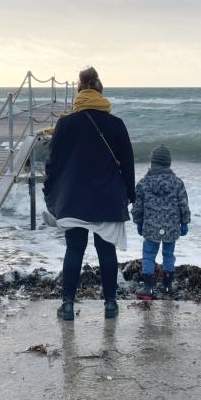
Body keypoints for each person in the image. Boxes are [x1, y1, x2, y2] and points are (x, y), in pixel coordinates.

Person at [43, 66, 136, 321]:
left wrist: (49, 191)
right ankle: (110, 305)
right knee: (106, 251)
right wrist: (130, 194)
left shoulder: (65, 124)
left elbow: (53, 163)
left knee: (74, 249)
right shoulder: (116, 124)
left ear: (79, 92)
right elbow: (128, 163)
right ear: (100, 92)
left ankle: (68, 305)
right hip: (107, 197)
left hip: (73, 198)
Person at [131, 144, 190, 298]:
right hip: (171, 226)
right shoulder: (177, 183)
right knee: (169, 255)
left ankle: (148, 288)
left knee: (148, 254)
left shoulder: (143, 183)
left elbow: (138, 206)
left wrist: (138, 222)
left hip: (151, 225)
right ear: (169, 163)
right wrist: (184, 223)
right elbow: (183, 205)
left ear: (152, 162)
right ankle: (168, 287)